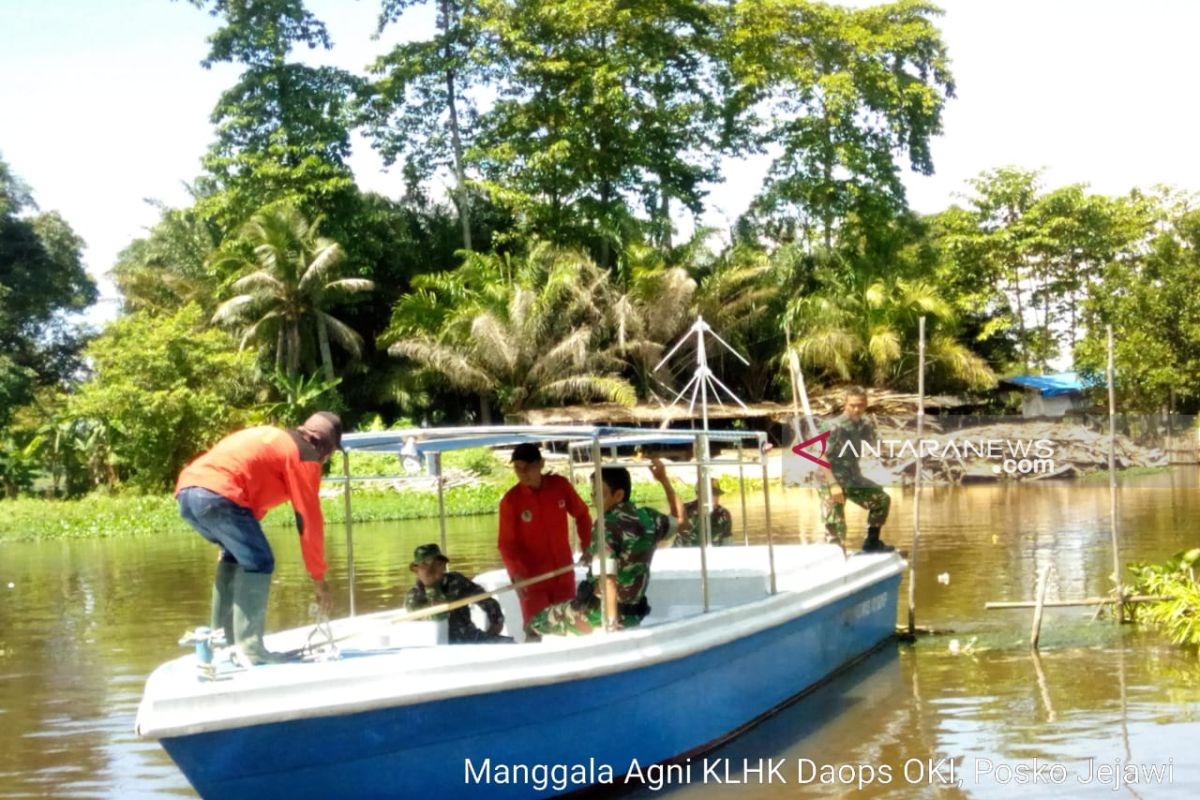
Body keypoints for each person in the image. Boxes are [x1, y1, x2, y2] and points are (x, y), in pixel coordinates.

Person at [175, 412, 339, 665]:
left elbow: (250, 494)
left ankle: (221, 644)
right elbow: (309, 521)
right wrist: (319, 579)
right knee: (260, 560)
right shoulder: (305, 455)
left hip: (188, 493)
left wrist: (227, 543)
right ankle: (250, 649)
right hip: (219, 494)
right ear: (326, 447)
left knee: (235, 557)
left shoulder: (277, 439)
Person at [530, 459, 685, 636]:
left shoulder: (606, 525)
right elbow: (681, 521)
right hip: (633, 615)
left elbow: (608, 579)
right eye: (593, 493)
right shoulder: (648, 518)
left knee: (536, 622)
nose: (594, 499)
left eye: (598, 494)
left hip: (597, 614)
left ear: (618, 495)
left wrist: (610, 626)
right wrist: (663, 480)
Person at [497, 443, 593, 629]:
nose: (523, 473)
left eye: (528, 467)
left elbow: (582, 515)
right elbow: (506, 544)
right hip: (532, 581)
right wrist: (515, 574)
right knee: (536, 629)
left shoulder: (560, 486)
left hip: (563, 575)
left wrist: (588, 546)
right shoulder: (511, 501)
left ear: (541, 464)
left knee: (569, 626)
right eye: (518, 468)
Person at [816, 386, 894, 553]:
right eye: (852, 405)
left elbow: (879, 446)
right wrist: (833, 485)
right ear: (845, 404)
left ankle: (872, 542)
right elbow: (820, 456)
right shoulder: (833, 426)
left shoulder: (864, 425)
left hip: (852, 478)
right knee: (837, 529)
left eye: (860, 405)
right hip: (829, 478)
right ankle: (834, 548)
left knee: (881, 500)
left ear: (866, 405)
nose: (856, 409)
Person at [406, 543, 509, 643]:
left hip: (473, 639)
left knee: (510, 646)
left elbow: (486, 600)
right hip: (442, 650)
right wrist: (431, 586)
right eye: (426, 565)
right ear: (416, 570)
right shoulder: (413, 597)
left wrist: (495, 624)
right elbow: (438, 617)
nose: (433, 569)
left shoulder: (456, 581)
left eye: (438, 563)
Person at [674, 477, 734, 547]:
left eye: (716, 494)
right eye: (710, 494)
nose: (715, 498)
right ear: (698, 494)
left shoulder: (724, 514)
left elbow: (727, 543)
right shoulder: (684, 510)